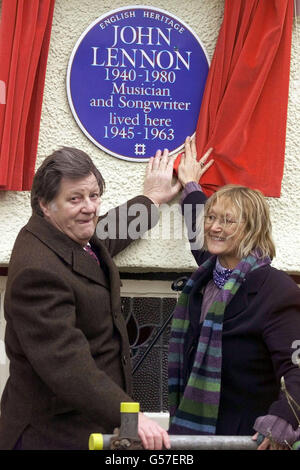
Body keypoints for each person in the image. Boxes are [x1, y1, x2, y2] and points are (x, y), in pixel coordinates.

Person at [0, 146, 181, 450]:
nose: (90, 208)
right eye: (75, 199)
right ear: (45, 204)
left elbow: (104, 236)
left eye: (94, 196)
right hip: (49, 436)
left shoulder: (61, 235)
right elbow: (67, 363)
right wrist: (131, 417)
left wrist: (150, 200)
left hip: (80, 429)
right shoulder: (38, 271)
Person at [168, 137, 300, 450]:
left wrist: (284, 419)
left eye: (228, 221)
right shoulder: (208, 277)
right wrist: (190, 184)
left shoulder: (276, 290)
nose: (214, 227)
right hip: (194, 437)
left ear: (252, 229)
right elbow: (202, 234)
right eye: (212, 217)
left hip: (246, 440)